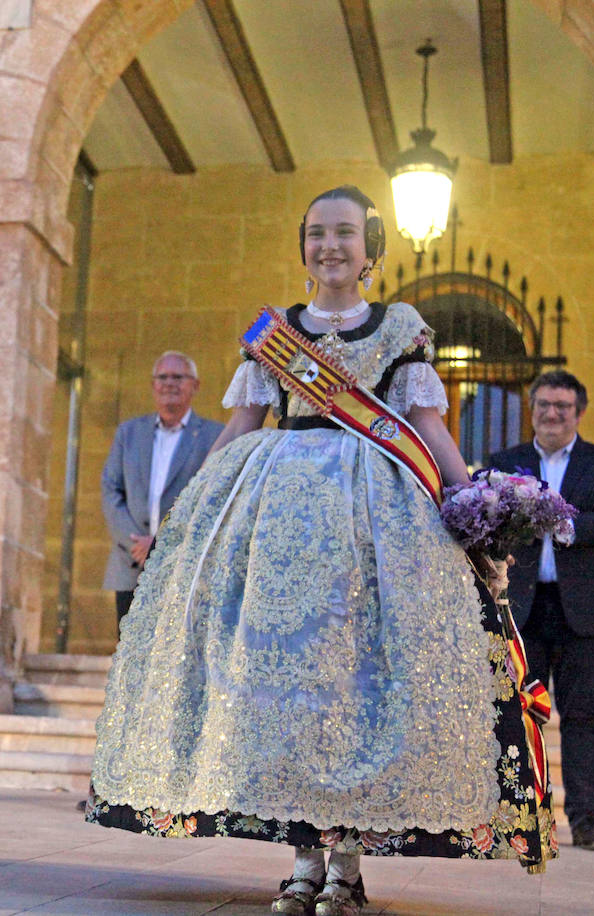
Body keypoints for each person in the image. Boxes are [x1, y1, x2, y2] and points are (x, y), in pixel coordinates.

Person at [85, 186, 555, 916]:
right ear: (303, 246)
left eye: (344, 234)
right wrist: (189, 518)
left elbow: (427, 425)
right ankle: (302, 861)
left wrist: (470, 504)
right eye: (316, 234)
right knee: (292, 697)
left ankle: (347, 864)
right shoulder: (276, 333)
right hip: (279, 525)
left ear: (371, 249)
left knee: (357, 690)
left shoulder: (400, 329)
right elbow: (239, 425)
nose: (329, 246)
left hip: (378, 524)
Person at [487, 371, 594, 854]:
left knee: (583, 717)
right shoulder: (506, 463)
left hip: (588, 612)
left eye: (563, 407)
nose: (553, 414)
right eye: (545, 405)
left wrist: (567, 524)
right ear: (532, 409)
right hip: (524, 609)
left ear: (579, 412)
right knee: (518, 716)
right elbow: (486, 520)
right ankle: (517, 818)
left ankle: (586, 821)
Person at [101, 352, 222, 629]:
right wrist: (136, 543)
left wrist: (160, 544)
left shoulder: (214, 437)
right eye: (162, 377)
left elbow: (214, 499)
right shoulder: (128, 433)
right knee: (129, 656)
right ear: (153, 384)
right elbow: (111, 490)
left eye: (178, 377)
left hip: (184, 567)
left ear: (195, 385)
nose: (170, 384)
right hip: (130, 565)